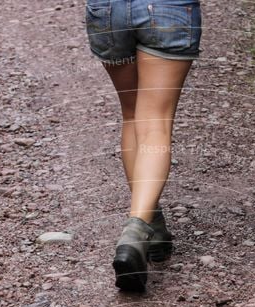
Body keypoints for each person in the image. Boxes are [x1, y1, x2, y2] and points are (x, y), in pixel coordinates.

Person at [85, 0, 203, 291]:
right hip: (168, 8)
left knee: (132, 112)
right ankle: (135, 231)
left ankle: (152, 224)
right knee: (155, 122)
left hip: (109, 9)